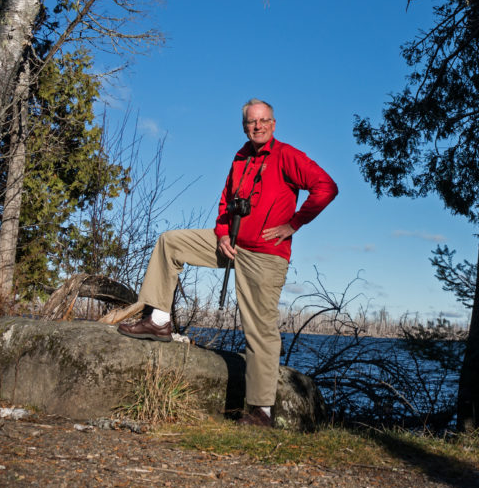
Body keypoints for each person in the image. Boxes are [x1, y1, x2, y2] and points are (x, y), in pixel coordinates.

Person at [117, 98, 338, 427]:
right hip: (231, 243)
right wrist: (221, 234)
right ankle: (159, 320)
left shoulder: (287, 156)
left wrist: (294, 223)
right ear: (244, 126)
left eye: (263, 121)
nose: (257, 126)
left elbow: (326, 187)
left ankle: (261, 411)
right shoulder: (240, 157)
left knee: (260, 330)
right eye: (251, 122)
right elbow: (225, 202)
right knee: (170, 242)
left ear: (273, 124)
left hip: (265, 254)